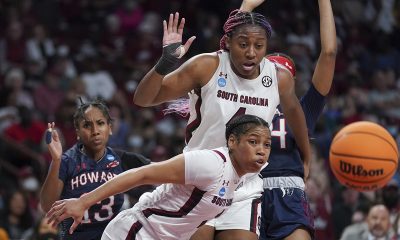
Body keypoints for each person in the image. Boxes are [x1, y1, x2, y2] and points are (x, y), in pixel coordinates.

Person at [133, 4, 311, 240]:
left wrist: (306, 156)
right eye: (243, 44)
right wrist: (165, 63)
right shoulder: (207, 66)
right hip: (199, 181)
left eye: (259, 46)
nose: (251, 53)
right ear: (227, 42)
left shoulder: (279, 78)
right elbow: (143, 99)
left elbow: (295, 113)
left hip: (244, 186)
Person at [45, 114, 272, 240]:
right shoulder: (211, 164)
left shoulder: (241, 178)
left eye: (267, 144)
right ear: (232, 141)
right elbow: (141, 175)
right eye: (253, 142)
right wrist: (83, 201)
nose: (261, 150)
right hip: (137, 232)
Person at [257, 0, 337, 239]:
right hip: (247, 193)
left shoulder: (304, 110)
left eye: (282, 74)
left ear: (292, 81)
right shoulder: (241, 104)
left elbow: (329, 53)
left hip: (289, 194)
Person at [40, 99, 151, 240]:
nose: (95, 131)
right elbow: (47, 206)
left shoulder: (122, 158)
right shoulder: (66, 161)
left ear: (109, 128)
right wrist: (56, 161)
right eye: (87, 125)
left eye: (100, 123)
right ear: (78, 132)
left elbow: (163, 172)